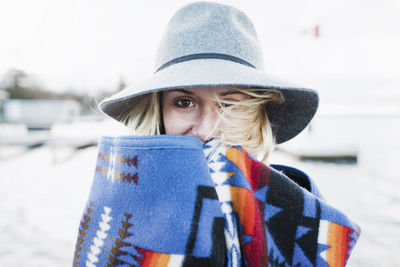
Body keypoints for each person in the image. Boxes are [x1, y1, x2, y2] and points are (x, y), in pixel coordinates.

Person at [73, 2, 359, 266]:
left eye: (230, 104)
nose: (208, 130)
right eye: (184, 102)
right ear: (158, 114)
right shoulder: (117, 219)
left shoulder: (307, 218)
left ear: (257, 115)